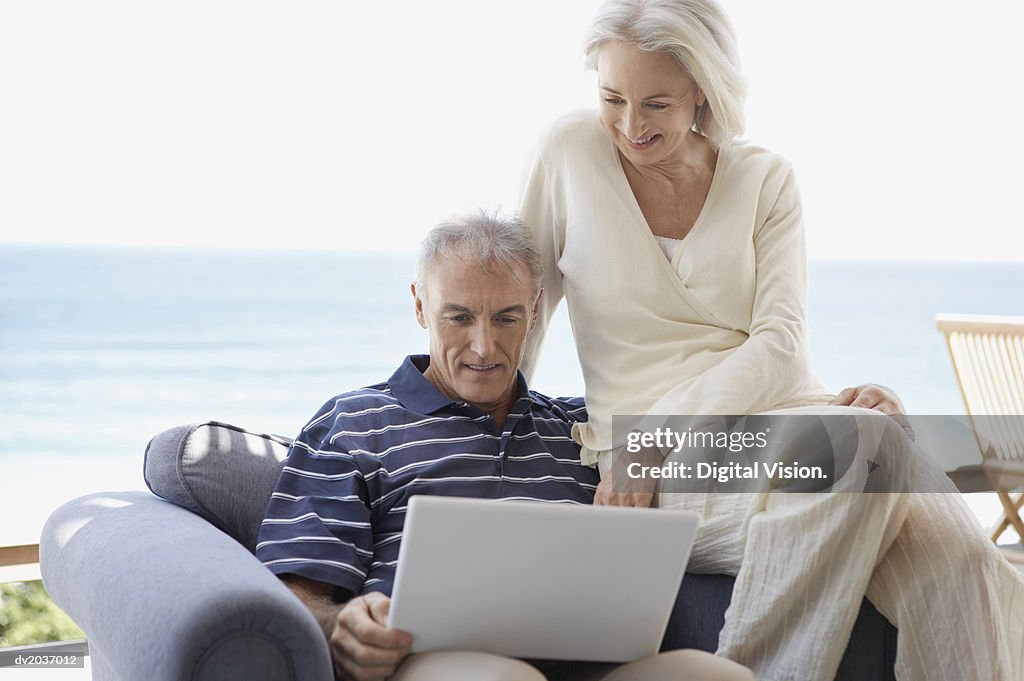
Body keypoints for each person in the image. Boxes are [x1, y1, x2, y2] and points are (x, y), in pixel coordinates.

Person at [516, 1, 1024, 679]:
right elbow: (522, 308)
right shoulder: (569, 153)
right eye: (613, 98)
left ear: (702, 87)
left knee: (963, 559)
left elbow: (781, 342)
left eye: (657, 104)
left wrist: (843, 421)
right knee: (874, 446)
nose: (630, 126)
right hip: (652, 456)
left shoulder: (765, 179)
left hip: (781, 425)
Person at [256, 212, 754, 681]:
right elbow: (295, 590)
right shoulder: (353, 423)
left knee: (712, 673)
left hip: (589, 664)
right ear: (419, 305)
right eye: (459, 318)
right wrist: (340, 624)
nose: (484, 348)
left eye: (506, 319)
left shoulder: (584, 425)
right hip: (426, 662)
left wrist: (822, 409)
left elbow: (806, 458)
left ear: (535, 309)